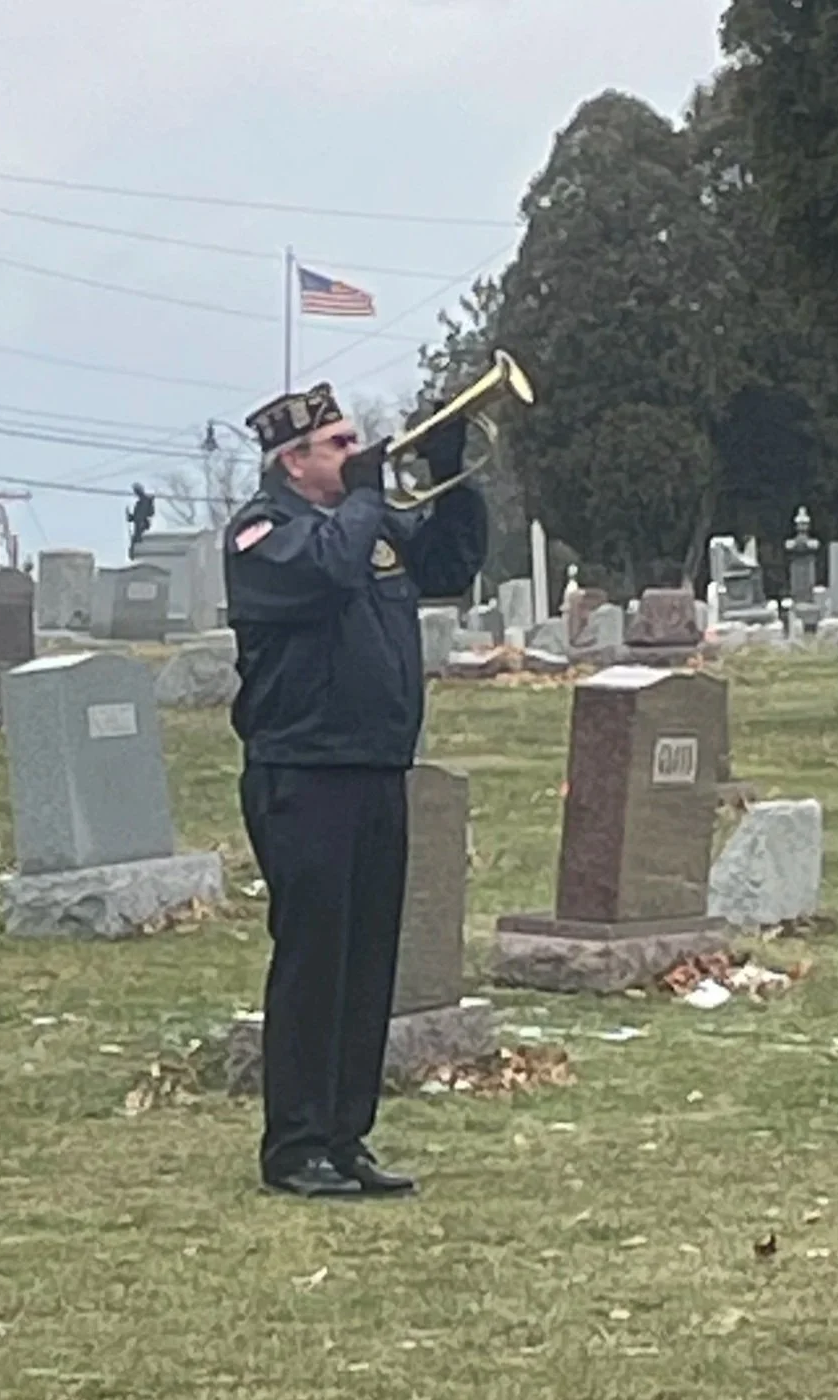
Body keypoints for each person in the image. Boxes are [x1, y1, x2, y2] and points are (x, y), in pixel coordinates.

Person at [223, 382, 487, 1200]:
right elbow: (331, 574)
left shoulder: (366, 526)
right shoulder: (263, 535)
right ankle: (294, 1143)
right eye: (339, 444)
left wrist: (454, 473)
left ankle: (347, 1135)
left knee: (369, 958)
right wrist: (369, 498)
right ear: (292, 461)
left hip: (376, 764)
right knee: (315, 958)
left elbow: (448, 565)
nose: (358, 452)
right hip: (302, 770)